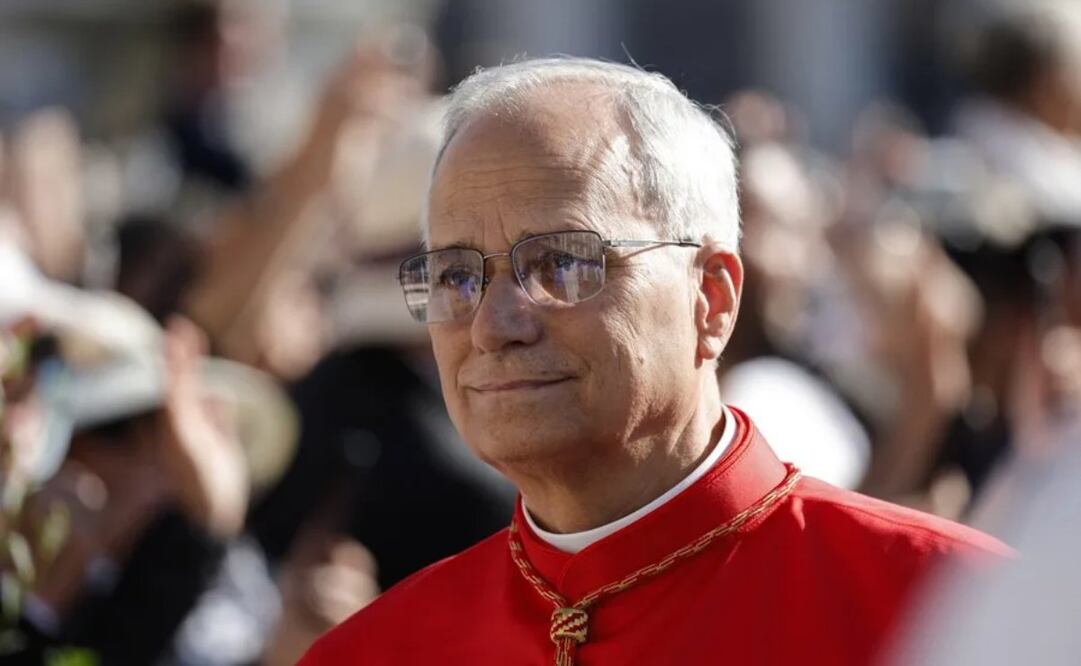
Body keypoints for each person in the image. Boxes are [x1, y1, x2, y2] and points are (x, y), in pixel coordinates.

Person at [301, 58, 1007, 666]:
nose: (493, 325)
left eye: (559, 263)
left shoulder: (953, 609)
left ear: (711, 297)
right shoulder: (373, 652)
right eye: (456, 276)